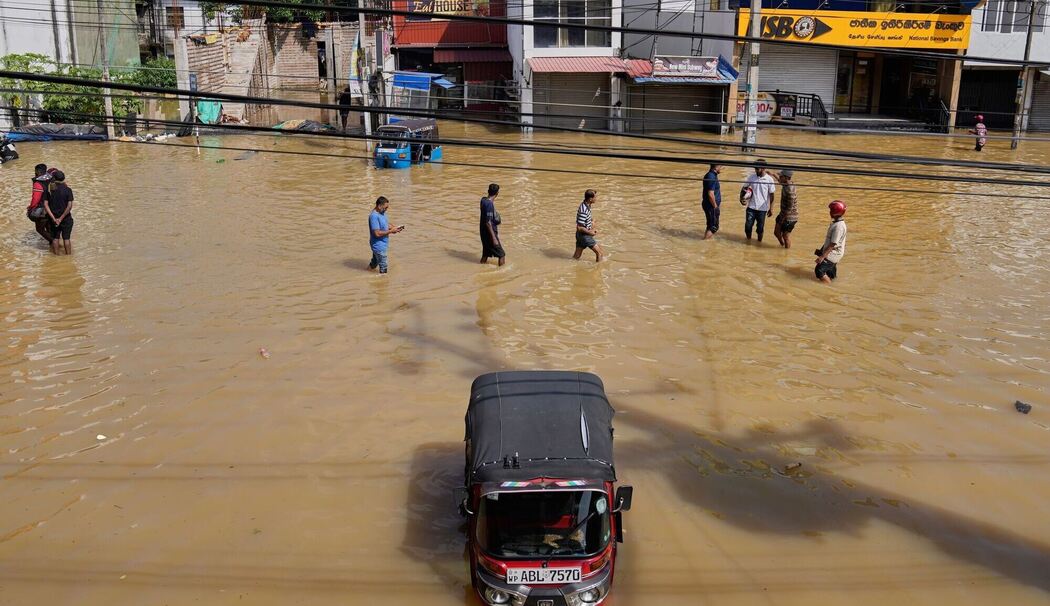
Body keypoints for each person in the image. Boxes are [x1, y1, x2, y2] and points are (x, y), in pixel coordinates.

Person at [814, 200, 848, 284]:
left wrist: (822, 257)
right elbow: (830, 240)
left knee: (819, 271)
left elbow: (833, 244)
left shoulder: (838, 227)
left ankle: (828, 287)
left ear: (834, 212)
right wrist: (821, 250)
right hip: (834, 252)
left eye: (831, 210)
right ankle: (833, 285)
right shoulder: (836, 223)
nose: (829, 212)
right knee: (831, 274)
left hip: (833, 254)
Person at [743, 160, 776, 243]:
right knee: (748, 227)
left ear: (763, 168)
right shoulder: (751, 177)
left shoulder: (769, 180)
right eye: (755, 168)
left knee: (760, 229)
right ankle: (748, 242)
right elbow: (744, 188)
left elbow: (772, 195)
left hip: (762, 209)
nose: (756, 170)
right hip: (751, 207)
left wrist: (771, 209)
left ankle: (759, 243)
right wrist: (741, 199)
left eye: (757, 169)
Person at [368, 196, 403, 274]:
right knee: (383, 267)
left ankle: (366, 272)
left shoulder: (382, 213)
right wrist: (391, 231)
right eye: (385, 207)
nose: (386, 209)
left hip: (382, 244)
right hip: (379, 246)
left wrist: (394, 228)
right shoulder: (374, 216)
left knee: (374, 263)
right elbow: (377, 233)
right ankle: (383, 281)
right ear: (379, 206)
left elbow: (385, 223)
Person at [44, 170, 74, 255]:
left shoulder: (49, 190)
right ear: (63, 178)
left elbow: (46, 205)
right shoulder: (68, 190)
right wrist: (61, 218)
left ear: (54, 178)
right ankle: (68, 257)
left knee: (55, 238)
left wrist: (54, 219)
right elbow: (69, 206)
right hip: (66, 219)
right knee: (66, 239)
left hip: (53, 219)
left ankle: (56, 256)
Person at [573, 189, 605, 262]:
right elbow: (579, 227)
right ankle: (598, 268)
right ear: (590, 199)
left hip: (581, 235)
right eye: (595, 197)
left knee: (576, 256)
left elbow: (584, 220)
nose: (596, 198)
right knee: (599, 253)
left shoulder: (587, 205)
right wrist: (590, 232)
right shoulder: (583, 210)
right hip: (584, 236)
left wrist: (591, 221)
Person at [479, 183, 506, 266]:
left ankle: (480, 267)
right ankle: (502, 272)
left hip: (483, 232)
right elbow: (488, 222)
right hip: (489, 233)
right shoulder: (489, 204)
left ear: (488, 191)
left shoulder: (483, 200)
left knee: (486, 254)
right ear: (497, 193)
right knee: (501, 255)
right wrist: (493, 238)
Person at [27, 163, 53, 244]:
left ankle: (55, 243)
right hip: (51, 207)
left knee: (40, 229)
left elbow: (36, 199)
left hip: (42, 209)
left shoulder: (38, 183)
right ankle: (53, 247)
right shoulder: (51, 179)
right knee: (49, 227)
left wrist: (31, 207)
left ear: (37, 172)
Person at [773, 169, 799, 249]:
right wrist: (773, 174)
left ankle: (786, 252)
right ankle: (782, 245)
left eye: (781, 176)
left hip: (790, 217)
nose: (779, 178)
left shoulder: (790, 190)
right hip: (783, 214)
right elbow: (780, 181)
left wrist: (782, 220)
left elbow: (789, 208)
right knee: (776, 232)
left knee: (785, 236)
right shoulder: (786, 184)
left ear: (786, 178)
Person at [701, 164, 722, 239]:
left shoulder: (711, 175)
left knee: (710, 225)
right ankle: (704, 241)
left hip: (709, 205)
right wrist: (715, 207)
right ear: (716, 167)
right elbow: (710, 194)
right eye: (721, 166)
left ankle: (706, 241)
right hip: (711, 206)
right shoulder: (711, 176)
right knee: (714, 227)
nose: (721, 168)